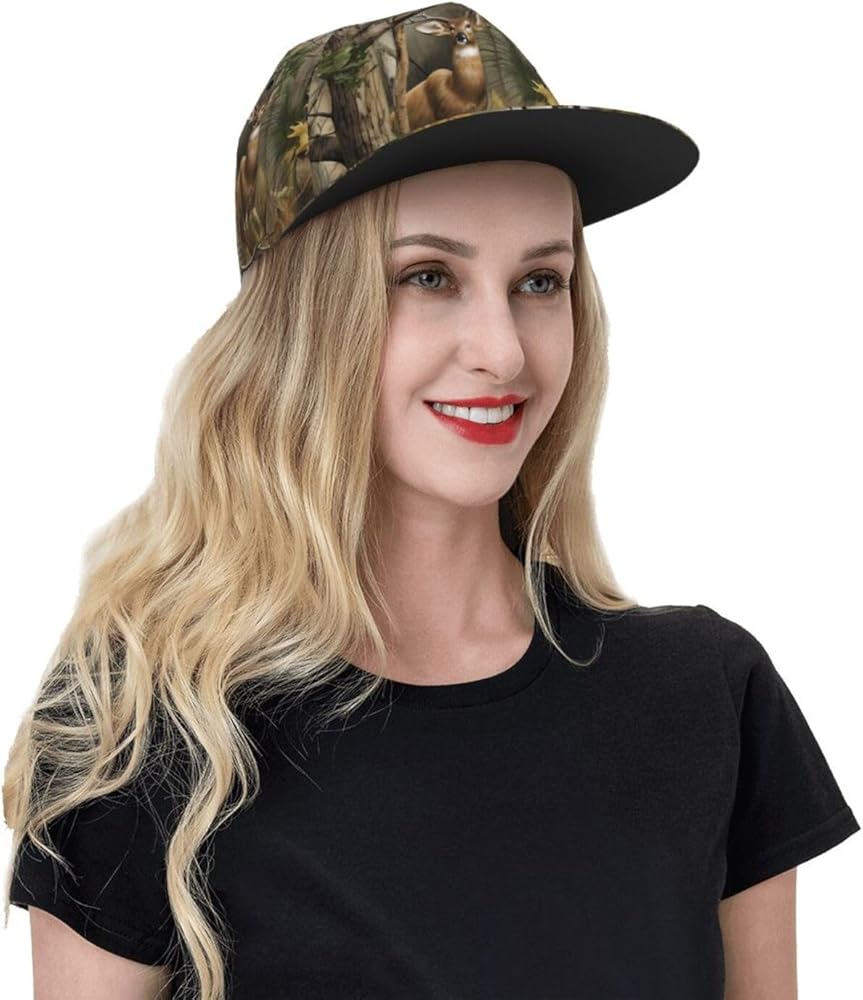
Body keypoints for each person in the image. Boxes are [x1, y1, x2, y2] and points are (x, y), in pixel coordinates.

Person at [3, 5, 859, 1000]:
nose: (501, 350)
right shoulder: (143, 723)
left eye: (539, 281)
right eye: (428, 276)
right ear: (305, 316)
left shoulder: (704, 697)